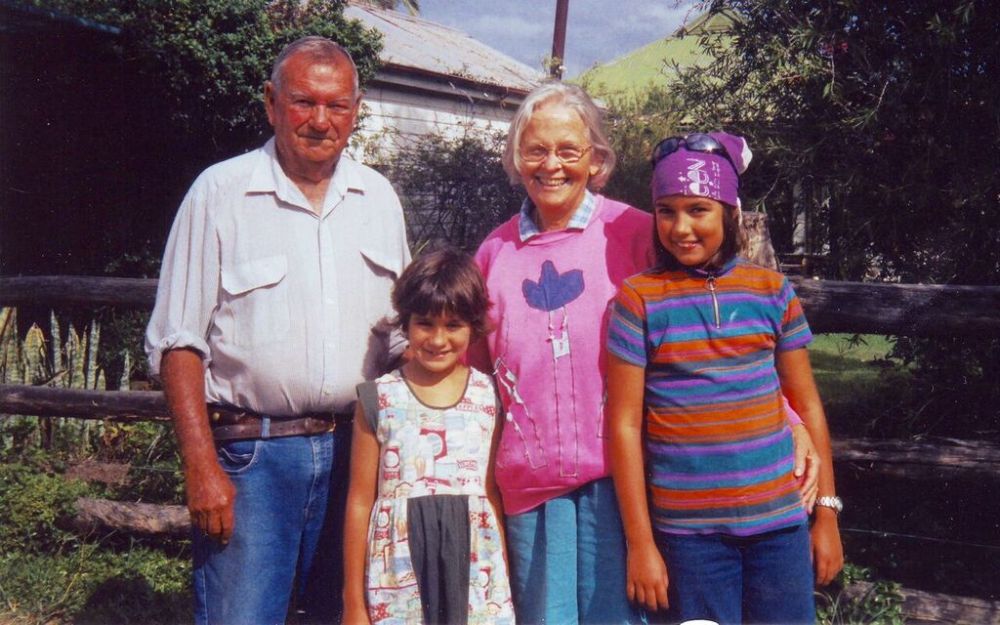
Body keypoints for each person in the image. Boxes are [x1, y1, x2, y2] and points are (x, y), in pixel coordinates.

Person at [144, 36, 410, 625]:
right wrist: (200, 465)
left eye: (337, 105)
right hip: (251, 460)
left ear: (356, 109)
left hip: (356, 456)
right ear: (270, 102)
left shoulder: (379, 199)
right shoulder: (219, 193)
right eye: (303, 102)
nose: (321, 121)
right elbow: (177, 342)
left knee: (342, 615)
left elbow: (402, 337)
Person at [606, 132, 844, 624]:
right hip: (688, 538)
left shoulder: (771, 292)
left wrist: (827, 514)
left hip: (779, 528)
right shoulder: (639, 299)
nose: (681, 227)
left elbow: (810, 406)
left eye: (698, 210)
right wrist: (641, 543)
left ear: (730, 213)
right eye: (667, 211)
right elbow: (625, 425)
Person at [343, 248, 515, 625]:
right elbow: (359, 502)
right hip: (398, 572)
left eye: (453, 325)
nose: (438, 340)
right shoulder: (378, 398)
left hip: (473, 567)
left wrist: (502, 583)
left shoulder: (489, 396)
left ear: (473, 326)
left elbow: (491, 496)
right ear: (405, 323)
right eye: (425, 323)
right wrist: (353, 604)